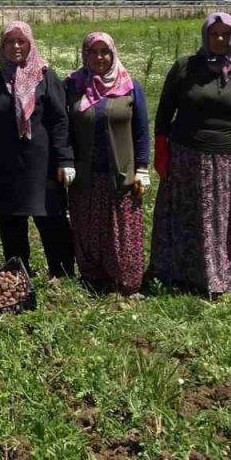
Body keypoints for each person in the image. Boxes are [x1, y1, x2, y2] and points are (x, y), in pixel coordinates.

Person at [151, 12, 231, 297]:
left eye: (225, 34)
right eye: (213, 34)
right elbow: (165, 112)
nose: (219, 39)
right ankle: (177, 271)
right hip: (187, 156)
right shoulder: (184, 68)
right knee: (185, 216)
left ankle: (222, 273)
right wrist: (161, 150)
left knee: (223, 219)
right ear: (205, 35)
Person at [0, 21, 76, 278]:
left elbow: (61, 121)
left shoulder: (46, 77)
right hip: (5, 165)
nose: (15, 46)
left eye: (21, 41)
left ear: (30, 44)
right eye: (9, 41)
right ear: (2, 46)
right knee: (10, 220)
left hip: (42, 165)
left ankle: (61, 273)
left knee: (51, 218)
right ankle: (17, 272)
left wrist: (65, 160)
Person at [63, 32, 150, 295]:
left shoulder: (130, 86)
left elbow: (141, 131)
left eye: (105, 52)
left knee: (122, 231)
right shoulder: (72, 86)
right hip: (85, 174)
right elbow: (62, 127)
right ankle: (93, 280)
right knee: (87, 228)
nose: (99, 57)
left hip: (121, 174)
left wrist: (143, 168)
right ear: (84, 54)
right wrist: (65, 161)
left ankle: (126, 282)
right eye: (93, 52)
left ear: (113, 54)